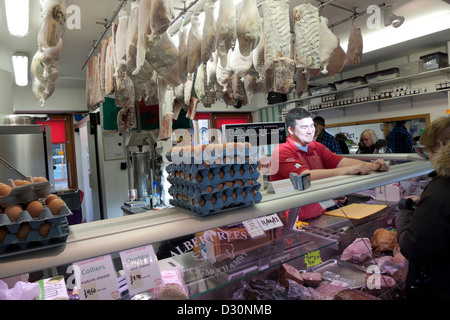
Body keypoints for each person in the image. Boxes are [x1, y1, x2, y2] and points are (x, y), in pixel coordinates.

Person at [270, 108, 389, 220]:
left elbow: (340, 161)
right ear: (291, 130)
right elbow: (304, 176)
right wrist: (348, 170)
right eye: (304, 127)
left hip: (319, 213)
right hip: (292, 220)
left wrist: (373, 166)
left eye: (311, 126)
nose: (310, 130)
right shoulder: (282, 151)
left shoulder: (317, 147)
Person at [395, 116, 450, 300]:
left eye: (428, 150)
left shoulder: (441, 187)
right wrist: (426, 203)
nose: (429, 157)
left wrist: (404, 212)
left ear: (440, 145)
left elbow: (414, 249)